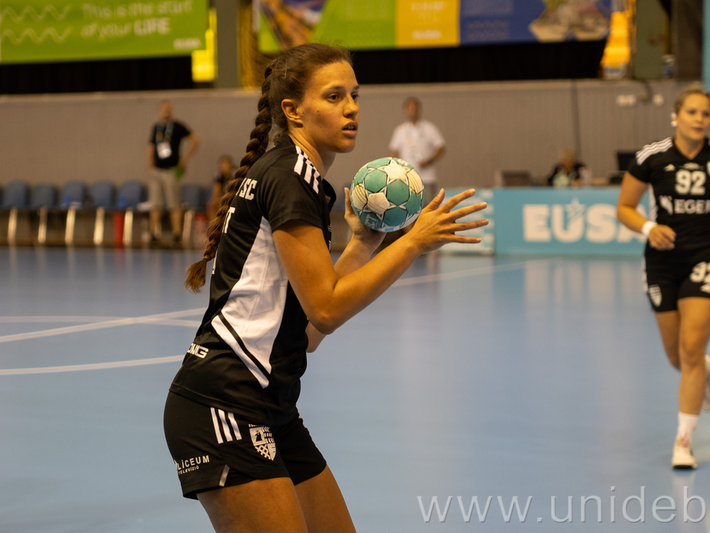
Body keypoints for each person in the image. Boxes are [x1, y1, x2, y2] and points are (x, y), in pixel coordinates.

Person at [163, 43, 487, 533]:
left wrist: (363, 244)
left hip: (272, 405)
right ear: (293, 111)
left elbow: (309, 331)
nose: (351, 108)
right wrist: (413, 242)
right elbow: (328, 309)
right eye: (334, 97)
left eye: (354, 95)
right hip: (225, 403)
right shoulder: (290, 177)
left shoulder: (298, 175)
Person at [616, 84, 710, 470]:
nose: (699, 119)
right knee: (676, 355)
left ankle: (683, 442)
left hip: (707, 258)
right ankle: (704, 374)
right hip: (662, 263)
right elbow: (624, 207)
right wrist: (649, 228)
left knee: (692, 348)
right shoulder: (651, 157)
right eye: (692, 112)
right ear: (675, 116)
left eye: (705, 113)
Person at [146, 100, 200, 244]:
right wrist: (149, 162)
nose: (165, 111)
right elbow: (151, 146)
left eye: (167, 109)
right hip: (157, 170)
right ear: (159, 111)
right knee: (155, 203)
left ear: (171, 110)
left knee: (174, 203)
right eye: (162, 109)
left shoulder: (177, 126)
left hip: (172, 170)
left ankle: (176, 234)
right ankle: (154, 233)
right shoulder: (156, 127)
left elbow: (195, 140)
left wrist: (185, 158)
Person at [389, 97, 446, 204]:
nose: (412, 110)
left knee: (429, 206)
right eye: (410, 108)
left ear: (419, 109)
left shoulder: (430, 128)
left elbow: (441, 147)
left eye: (415, 108)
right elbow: (393, 151)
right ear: (405, 110)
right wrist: (399, 167)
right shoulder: (400, 130)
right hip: (407, 178)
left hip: (427, 177)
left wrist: (429, 161)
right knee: (408, 206)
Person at [206, 154, 235, 222]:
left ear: (230, 165)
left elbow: (235, 193)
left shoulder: (235, 174)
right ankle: (214, 225)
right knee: (211, 205)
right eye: (221, 164)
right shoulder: (218, 175)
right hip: (223, 199)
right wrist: (216, 200)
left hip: (234, 199)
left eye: (225, 164)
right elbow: (215, 194)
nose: (223, 167)